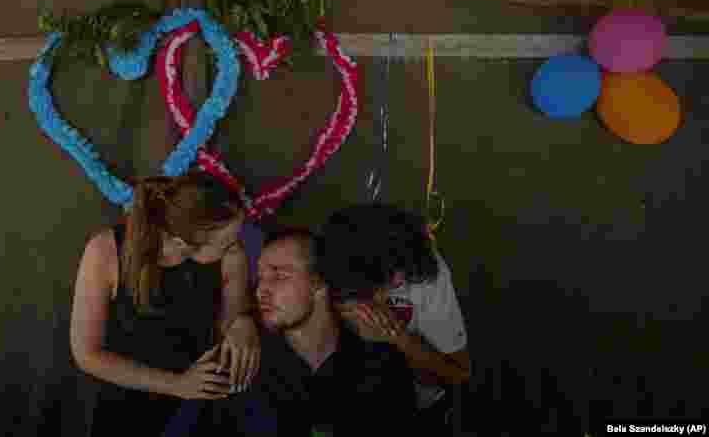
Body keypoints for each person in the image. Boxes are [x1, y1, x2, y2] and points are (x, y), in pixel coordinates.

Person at [70, 173, 262, 437]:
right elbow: (87, 355)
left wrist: (244, 321)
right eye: (226, 241)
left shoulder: (232, 256)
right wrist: (177, 384)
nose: (236, 245)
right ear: (185, 244)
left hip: (199, 412)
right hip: (126, 412)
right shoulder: (105, 250)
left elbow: (231, 323)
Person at [211, 226, 417, 437]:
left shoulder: (382, 367)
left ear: (319, 282)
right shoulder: (242, 366)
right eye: (261, 278)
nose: (261, 290)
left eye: (279, 276)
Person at [320, 204, 472, 429]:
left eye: (400, 281)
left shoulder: (423, 271)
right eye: (391, 281)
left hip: (417, 408)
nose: (397, 284)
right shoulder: (328, 271)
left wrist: (399, 338)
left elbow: (460, 373)